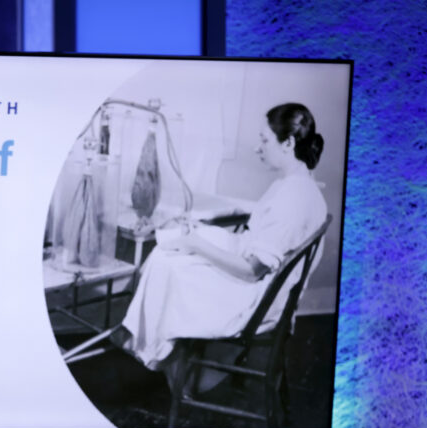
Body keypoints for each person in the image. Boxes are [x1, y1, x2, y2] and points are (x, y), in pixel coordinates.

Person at [121, 102, 327, 389]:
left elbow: (252, 271)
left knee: (170, 264)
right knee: (174, 246)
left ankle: (152, 347)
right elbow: (257, 235)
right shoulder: (294, 185)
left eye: (265, 140)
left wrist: (196, 244)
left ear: (288, 143)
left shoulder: (293, 198)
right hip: (259, 280)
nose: (257, 148)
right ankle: (150, 342)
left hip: (256, 299)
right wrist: (190, 232)